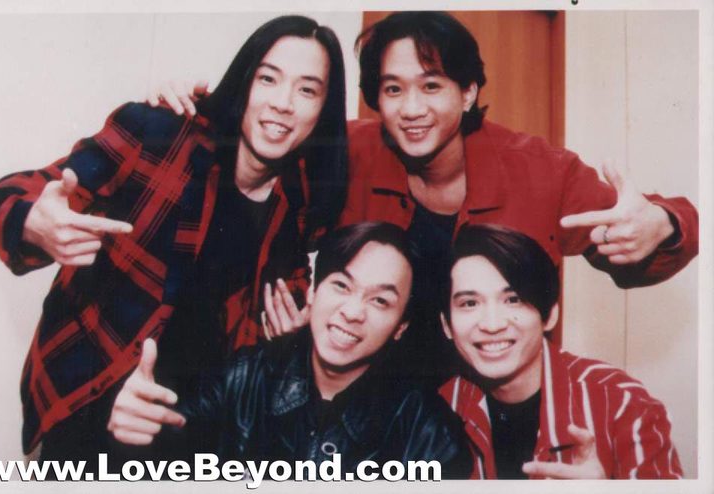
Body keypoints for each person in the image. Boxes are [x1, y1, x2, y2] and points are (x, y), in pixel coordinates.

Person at [152, 11, 698, 382]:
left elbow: (648, 233)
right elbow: (258, 143)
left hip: (491, 402)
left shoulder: (539, 169)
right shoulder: (349, 152)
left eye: (431, 85)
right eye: (393, 89)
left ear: (469, 92)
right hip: (373, 405)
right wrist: (190, 111)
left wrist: (662, 224)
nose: (411, 109)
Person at [0, 15, 348, 463]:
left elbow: (270, 316)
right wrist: (32, 223)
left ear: (323, 110)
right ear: (243, 81)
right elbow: (14, 194)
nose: (283, 103)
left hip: (197, 431)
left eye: (307, 90)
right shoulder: (161, 134)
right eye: (268, 79)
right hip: (90, 406)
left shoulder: (301, 200)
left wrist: (288, 340)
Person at [108, 222, 473, 477]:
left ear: (401, 327)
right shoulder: (245, 378)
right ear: (313, 292)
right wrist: (131, 434)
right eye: (341, 285)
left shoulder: (430, 436)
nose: (352, 312)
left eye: (380, 301)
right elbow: (156, 457)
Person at [439, 224, 683, 479]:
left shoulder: (622, 403)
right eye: (469, 303)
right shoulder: (440, 408)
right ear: (446, 325)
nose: (492, 325)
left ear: (550, 314)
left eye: (513, 299)